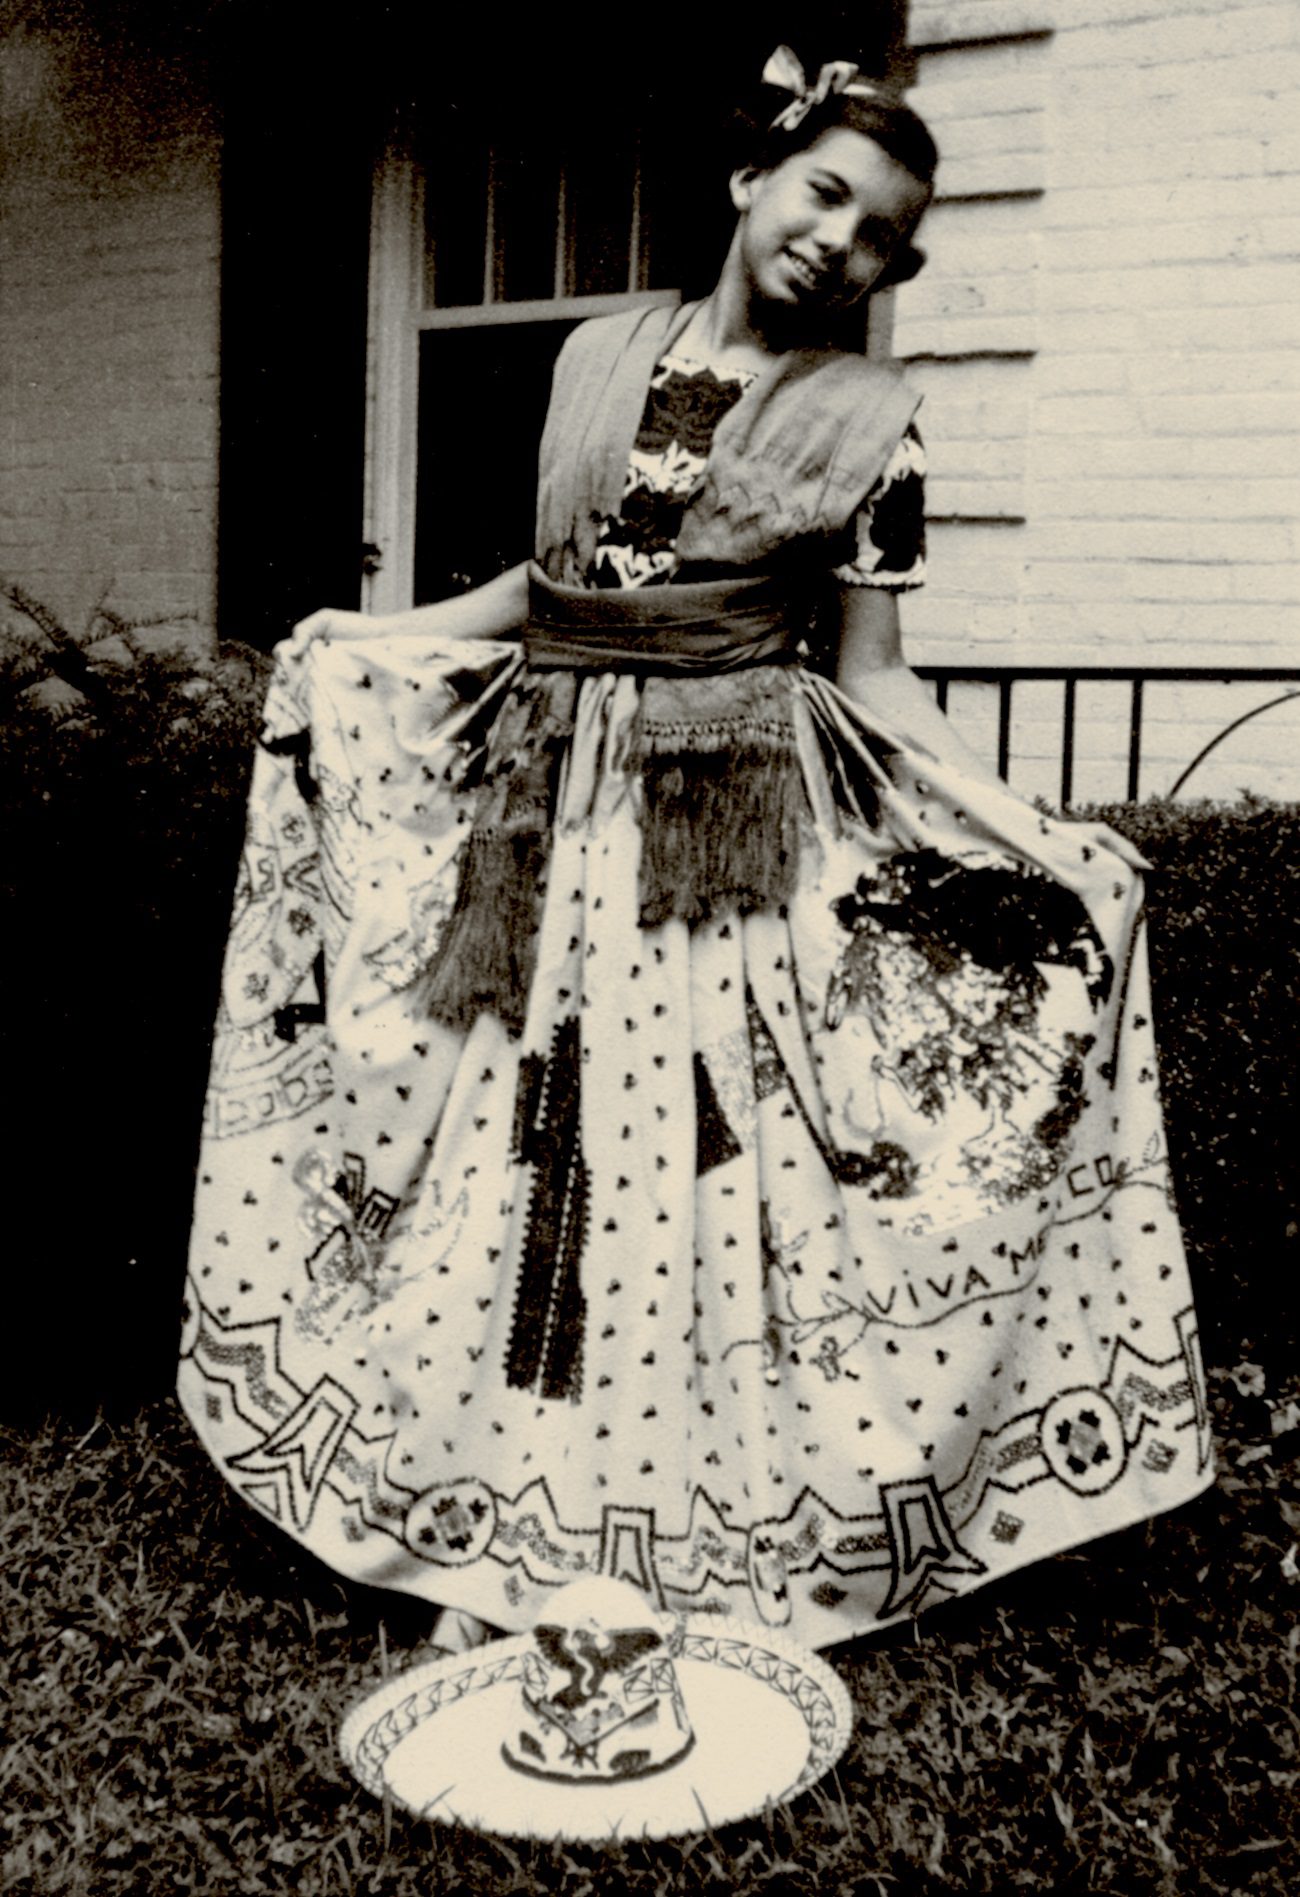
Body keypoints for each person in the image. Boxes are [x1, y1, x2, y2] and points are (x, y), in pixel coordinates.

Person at [180, 48, 1213, 1656]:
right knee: (520, 1166)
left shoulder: (877, 428)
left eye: (878, 234)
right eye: (823, 194)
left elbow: (875, 681)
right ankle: (497, 1532)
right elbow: (550, 588)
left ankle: (676, 1550)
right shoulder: (597, 357)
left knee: (688, 1177)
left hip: (723, 841)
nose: (836, 241)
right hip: (543, 816)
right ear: (751, 182)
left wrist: (1036, 831)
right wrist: (371, 637)